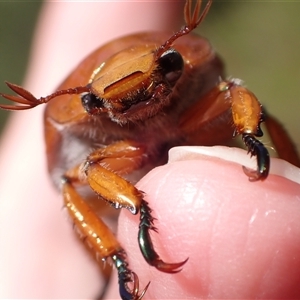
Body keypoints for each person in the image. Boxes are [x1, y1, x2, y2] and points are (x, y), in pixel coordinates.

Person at [0, 2, 299, 299]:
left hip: (197, 130)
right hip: (120, 171)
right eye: (97, 103)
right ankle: (114, 259)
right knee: (85, 174)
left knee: (234, 91)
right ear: (90, 107)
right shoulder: (75, 126)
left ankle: (260, 145)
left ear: (175, 65)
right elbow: (73, 176)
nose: (140, 104)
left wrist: (249, 133)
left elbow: (232, 92)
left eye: (166, 70)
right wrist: (134, 212)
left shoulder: (198, 71)